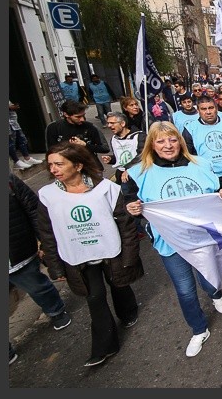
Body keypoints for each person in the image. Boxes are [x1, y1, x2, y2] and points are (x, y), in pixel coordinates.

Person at [124, 122, 222, 357]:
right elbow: (129, 201)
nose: (168, 145)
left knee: (209, 280)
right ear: (152, 144)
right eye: (161, 141)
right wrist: (131, 207)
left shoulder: (201, 164)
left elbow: (217, 191)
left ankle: (215, 294)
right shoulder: (139, 173)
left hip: (203, 239)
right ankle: (199, 329)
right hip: (170, 243)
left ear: (180, 141)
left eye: (172, 140)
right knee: (184, 290)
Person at [38, 142, 143, 367]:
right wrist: (55, 266)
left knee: (118, 284)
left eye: (59, 164)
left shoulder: (106, 188)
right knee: (94, 297)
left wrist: (129, 256)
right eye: (50, 165)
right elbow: (47, 233)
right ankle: (105, 347)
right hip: (78, 256)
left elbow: (125, 224)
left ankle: (128, 311)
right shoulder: (47, 195)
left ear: (77, 165)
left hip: (111, 251)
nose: (53, 169)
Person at [9, 173, 72, 365]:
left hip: (18, 251)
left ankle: (55, 311)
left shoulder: (9, 180)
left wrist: (44, 242)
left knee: (37, 286)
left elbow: (34, 210)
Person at [182, 95, 222, 183]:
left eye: (211, 108)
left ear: (216, 108)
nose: (208, 112)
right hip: (209, 176)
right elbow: (188, 156)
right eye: (204, 109)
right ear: (198, 110)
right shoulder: (190, 129)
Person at [45, 100, 109, 172]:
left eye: (83, 115)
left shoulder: (91, 127)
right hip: (66, 171)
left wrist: (85, 145)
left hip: (90, 168)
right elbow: (51, 151)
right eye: (78, 117)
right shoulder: (53, 128)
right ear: (66, 114)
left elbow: (105, 148)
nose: (82, 119)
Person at [100, 111, 145, 186]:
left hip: (138, 173)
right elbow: (120, 158)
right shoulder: (114, 139)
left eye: (112, 123)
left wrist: (129, 169)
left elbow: (142, 155)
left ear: (122, 123)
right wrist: (111, 159)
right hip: (121, 175)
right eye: (108, 123)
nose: (109, 125)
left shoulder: (139, 136)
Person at [9, 100, 44, 170]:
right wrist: (11, 107)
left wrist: (13, 106)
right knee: (11, 143)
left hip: (14, 122)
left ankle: (27, 158)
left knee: (22, 139)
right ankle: (16, 161)